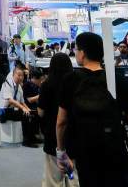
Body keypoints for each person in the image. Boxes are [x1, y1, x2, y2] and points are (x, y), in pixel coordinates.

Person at [56, 32, 128, 187]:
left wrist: (61, 151)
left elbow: (61, 122)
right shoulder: (116, 79)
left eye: (76, 50)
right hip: (115, 149)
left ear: (82, 53)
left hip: (85, 152)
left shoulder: (70, 80)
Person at [38, 53, 74, 187]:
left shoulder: (46, 85)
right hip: (74, 134)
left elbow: (41, 112)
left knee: (53, 178)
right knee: (74, 178)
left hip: (52, 135)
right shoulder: (76, 83)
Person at [0, 65, 40, 147]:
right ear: (13, 75)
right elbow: (11, 100)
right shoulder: (7, 84)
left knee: (33, 114)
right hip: (5, 111)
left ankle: (33, 137)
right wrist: (23, 109)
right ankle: (26, 141)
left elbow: (22, 102)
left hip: (14, 110)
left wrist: (28, 109)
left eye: (22, 76)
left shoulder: (19, 87)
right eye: (18, 75)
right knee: (24, 114)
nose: (21, 77)